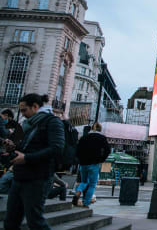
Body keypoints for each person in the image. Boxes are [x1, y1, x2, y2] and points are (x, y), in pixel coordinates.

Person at [3, 93, 65, 230]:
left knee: (35, 221)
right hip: (20, 176)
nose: (23, 114)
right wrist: (12, 147)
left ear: (35, 106)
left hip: (38, 177)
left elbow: (56, 148)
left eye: (25, 110)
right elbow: (23, 147)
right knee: (10, 222)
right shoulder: (28, 124)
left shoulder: (52, 122)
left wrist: (26, 158)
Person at [72, 122, 110, 209]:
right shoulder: (102, 138)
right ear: (100, 130)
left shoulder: (84, 137)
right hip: (94, 163)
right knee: (92, 185)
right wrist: (101, 159)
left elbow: (77, 150)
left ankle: (78, 191)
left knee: (84, 181)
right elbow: (107, 150)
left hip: (83, 164)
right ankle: (86, 203)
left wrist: (80, 160)